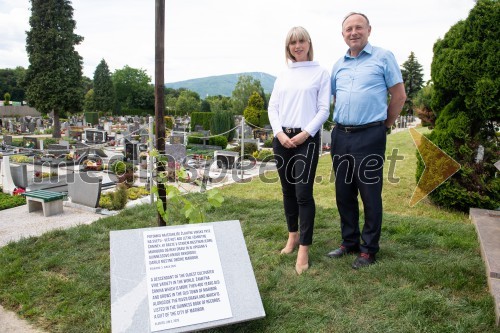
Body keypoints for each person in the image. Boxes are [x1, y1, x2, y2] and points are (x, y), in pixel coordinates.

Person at [327, 12, 406, 269]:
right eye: (348, 29)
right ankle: (349, 241)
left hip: (370, 135)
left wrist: (384, 126)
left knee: (370, 194)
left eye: (358, 27)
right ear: (343, 35)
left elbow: (399, 96)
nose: (353, 32)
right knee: (343, 193)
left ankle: (369, 249)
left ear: (369, 30)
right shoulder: (338, 65)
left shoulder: (384, 57)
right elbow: (336, 98)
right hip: (341, 135)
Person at [268, 26, 331, 275]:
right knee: (287, 191)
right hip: (282, 138)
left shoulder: (320, 73)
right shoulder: (283, 75)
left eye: (301, 41)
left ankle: (304, 247)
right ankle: (292, 236)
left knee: (303, 192)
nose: (297, 46)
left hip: (307, 138)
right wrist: (280, 133)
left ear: (308, 43)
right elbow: (273, 107)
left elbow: (324, 109)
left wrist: (306, 133)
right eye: (292, 43)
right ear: (288, 48)